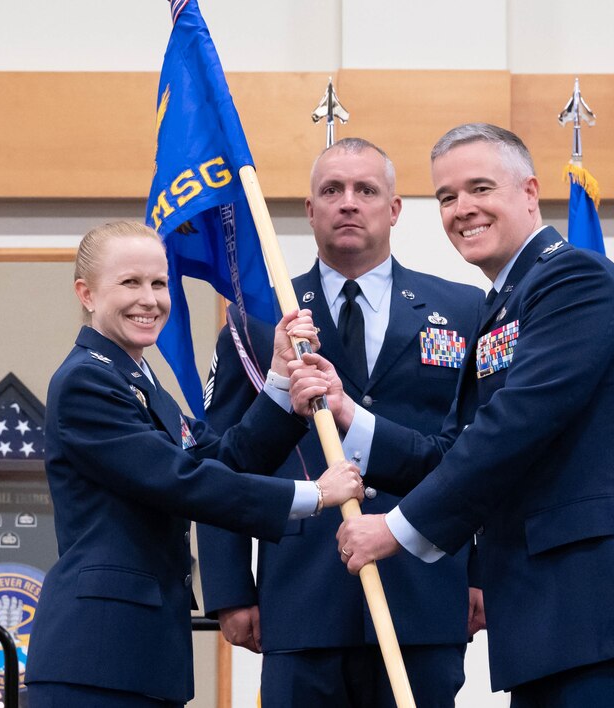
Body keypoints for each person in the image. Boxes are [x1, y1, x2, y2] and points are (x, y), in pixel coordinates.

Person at [294, 124, 614, 706]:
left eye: (479, 188)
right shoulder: (503, 306)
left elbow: (513, 428)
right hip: (551, 629)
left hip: (612, 616)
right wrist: (349, 415)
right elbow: (454, 448)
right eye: (446, 197)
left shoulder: (575, 280)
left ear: (529, 192)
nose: (462, 209)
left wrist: (394, 530)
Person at [25, 220, 363, 708]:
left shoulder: (138, 380)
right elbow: (182, 482)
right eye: (130, 283)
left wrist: (282, 380)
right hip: (95, 661)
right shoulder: (86, 383)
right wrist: (314, 495)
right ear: (87, 293)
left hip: (142, 660)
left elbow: (222, 457)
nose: (150, 299)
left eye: (159, 283)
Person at [197, 138, 486, 708]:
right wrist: (231, 591)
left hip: (423, 589)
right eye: (331, 190)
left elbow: (483, 453)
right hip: (301, 592)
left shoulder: (463, 309)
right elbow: (222, 462)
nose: (348, 203)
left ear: (395, 209)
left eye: (365, 190)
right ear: (310, 210)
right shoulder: (257, 319)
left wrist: (482, 571)